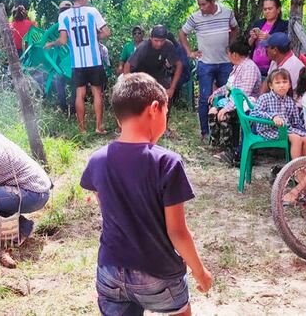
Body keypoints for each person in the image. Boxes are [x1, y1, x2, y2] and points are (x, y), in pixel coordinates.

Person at [80, 73, 212, 316]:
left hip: (110, 271)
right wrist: (200, 272)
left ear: (120, 118)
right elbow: (177, 231)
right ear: (154, 109)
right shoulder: (167, 162)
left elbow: (108, 207)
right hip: (157, 274)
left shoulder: (97, 159)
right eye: (165, 111)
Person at [45, 0, 112, 134]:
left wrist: (51, 43)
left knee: (80, 94)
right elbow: (107, 32)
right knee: (96, 94)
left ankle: (82, 130)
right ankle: (98, 127)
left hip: (78, 64)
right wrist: (95, 37)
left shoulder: (64, 16)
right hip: (94, 62)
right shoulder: (92, 12)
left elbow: (63, 41)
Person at [179, 0, 238, 141]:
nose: (201, 8)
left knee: (227, 97)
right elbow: (182, 33)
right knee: (205, 98)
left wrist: (231, 46)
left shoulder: (227, 12)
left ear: (213, 1)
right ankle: (205, 132)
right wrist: (189, 52)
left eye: (204, 4)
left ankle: (226, 132)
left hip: (225, 62)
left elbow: (235, 28)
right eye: (199, 5)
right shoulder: (195, 17)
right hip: (205, 64)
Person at [207, 39, 262, 161]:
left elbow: (243, 94)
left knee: (223, 115)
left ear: (235, 54)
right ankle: (217, 146)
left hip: (246, 104)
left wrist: (226, 108)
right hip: (234, 101)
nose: (228, 56)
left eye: (229, 53)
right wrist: (215, 93)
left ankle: (231, 151)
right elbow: (229, 87)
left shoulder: (249, 68)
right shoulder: (237, 67)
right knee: (212, 112)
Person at [249, 68, 306, 160]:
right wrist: (272, 117)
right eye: (277, 83)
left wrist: (305, 130)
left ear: (289, 85)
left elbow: (296, 122)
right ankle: (296, 170)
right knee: (296, 138)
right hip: (269, 130)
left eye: (284, 82)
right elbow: (253, 113)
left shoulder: (290, 101)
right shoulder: (265, 98)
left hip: (286, 129)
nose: (281, 85)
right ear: (271, 86)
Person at [247, 0, 288, 77]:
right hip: (254, 67)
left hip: (273, 68)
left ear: (278, 9)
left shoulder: (284, 25)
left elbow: (285, 44)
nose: (267, 11)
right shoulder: (258, 23)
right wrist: (252, 38)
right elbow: (248, 44)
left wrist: (269, 38)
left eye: (270, 9)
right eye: (265, 9)